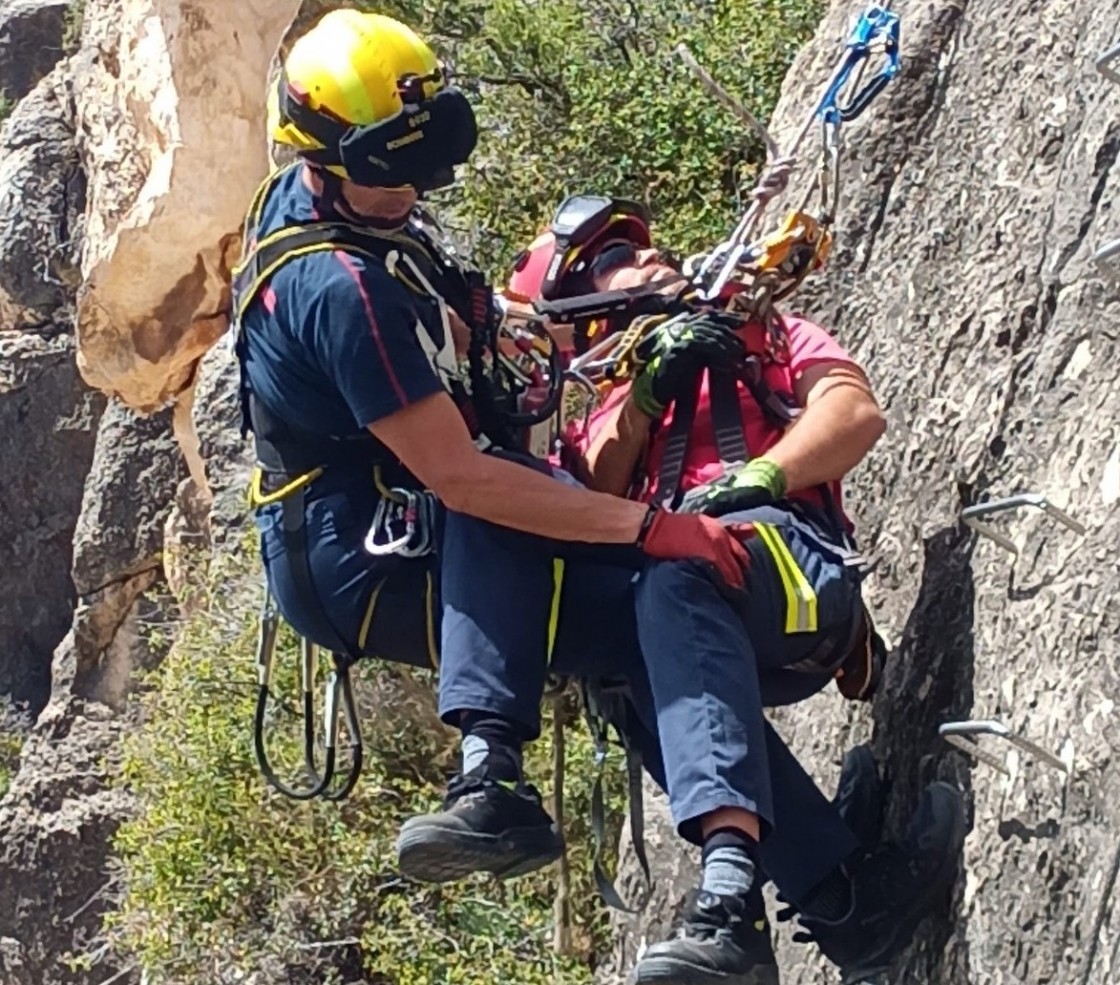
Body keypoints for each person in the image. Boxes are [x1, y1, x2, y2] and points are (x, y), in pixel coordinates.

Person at [233, 8, 753, 886]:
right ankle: (489, 777)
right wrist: (647, 527)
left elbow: (429, 296)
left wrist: (582, 314)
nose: (407, 191)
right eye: (387, 174)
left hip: (390, 514)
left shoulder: (334, 207)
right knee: (646, 606)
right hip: (356, 558)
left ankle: (816, 886)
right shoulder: (338, 289)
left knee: (633, 610)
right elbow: (464, 478)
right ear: (324, 157)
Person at [502, 196, 968, 984]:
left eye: (641, 250)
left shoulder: (763, 333)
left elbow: (852, 411)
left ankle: (724, 894)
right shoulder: (603, 419)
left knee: (674, 574)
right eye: (618, 261)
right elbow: (591, 500)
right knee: (620, 652)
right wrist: (645, 398)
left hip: (793, 578)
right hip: (703, 620)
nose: (650, 260)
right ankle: (841, 897)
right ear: (586, 314)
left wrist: (761, 475)